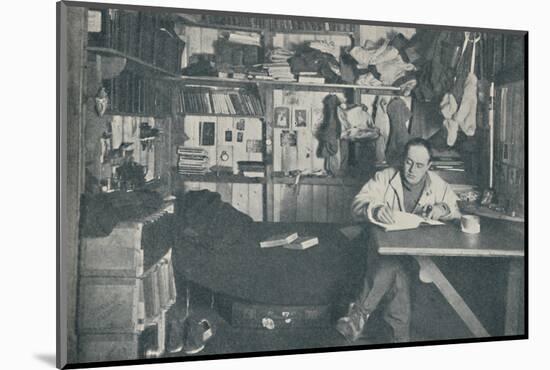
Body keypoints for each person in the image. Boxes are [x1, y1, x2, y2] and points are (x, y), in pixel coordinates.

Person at [336, 137, 461, 343]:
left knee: (395, 268)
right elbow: (358, 202)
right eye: (409, 162)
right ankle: (399, 340)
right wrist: (375, 209)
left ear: (429, 166)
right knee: (396, 270)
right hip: (384, 247)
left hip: (419, 253)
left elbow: (455, 207)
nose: (412, 169)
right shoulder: (385, 177)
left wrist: (443, 209)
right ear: (403, 159)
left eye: (420, 165)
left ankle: (359, 314)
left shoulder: (437, 184)